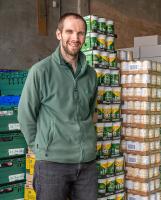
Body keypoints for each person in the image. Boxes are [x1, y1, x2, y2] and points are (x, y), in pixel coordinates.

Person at [18, 13, 98, 200]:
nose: (75, 38)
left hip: (87, 165)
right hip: (52, 165)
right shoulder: (41, 71)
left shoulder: (91, 74)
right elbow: (25, 115)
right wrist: (40, 148)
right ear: (59, 34)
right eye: (69, 32)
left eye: (80, 33)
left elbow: (90, 111)